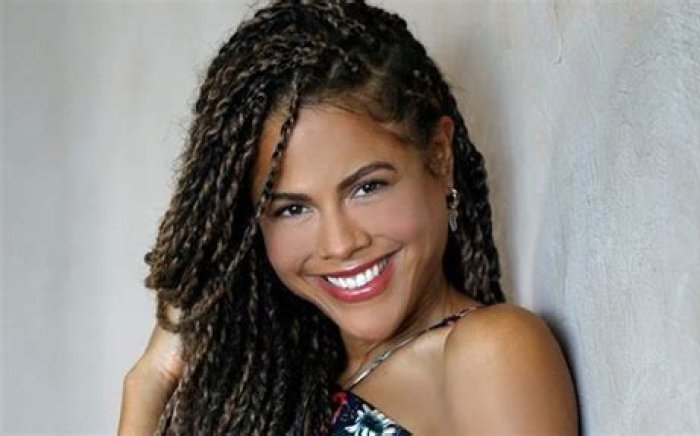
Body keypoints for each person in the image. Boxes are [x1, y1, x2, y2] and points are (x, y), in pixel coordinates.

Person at [119, 1, 579, 434]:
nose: (339, 243)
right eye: (293, 209)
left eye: (367, 188)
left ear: (440, 157)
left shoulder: (490, 349)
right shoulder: (291, 392)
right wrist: (149, 379)